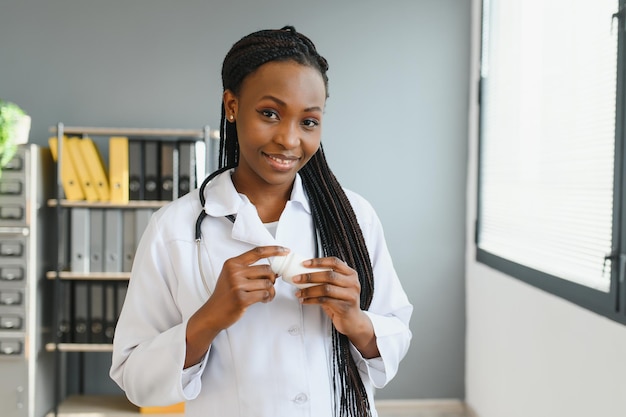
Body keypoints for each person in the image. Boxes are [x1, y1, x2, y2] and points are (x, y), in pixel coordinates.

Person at [110, 25, 413, 417]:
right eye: (270, 113)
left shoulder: (353, 218)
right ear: (232, 106)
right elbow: (134, 378)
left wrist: (355, 321)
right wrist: (209, 318)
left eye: (308, 122)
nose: (289, 140)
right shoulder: (174, 229)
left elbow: (394, 337)